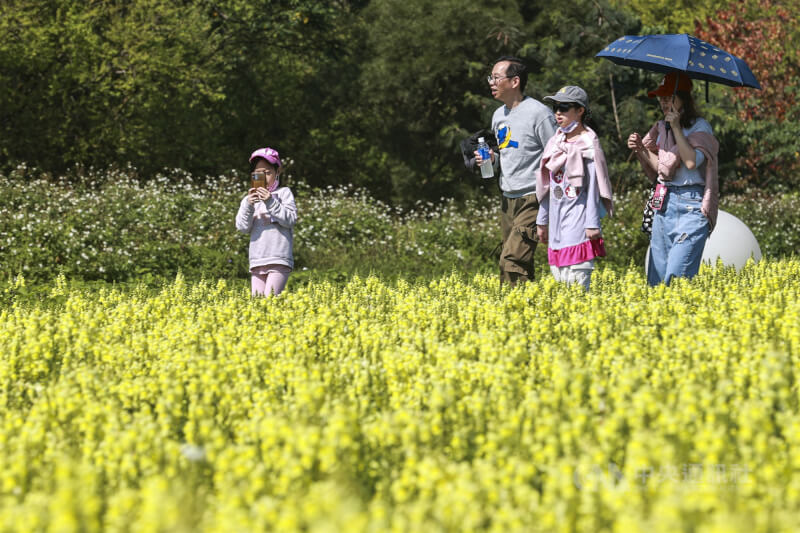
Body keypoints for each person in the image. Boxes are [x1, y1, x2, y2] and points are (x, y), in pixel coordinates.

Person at [471, 56, 558, 286]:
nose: (491, 82)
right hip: (507, 198)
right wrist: (491, 158)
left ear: (515, 81)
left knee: (512, 259)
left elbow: (558, 154)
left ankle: (513, 309)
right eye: (491, 77)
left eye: (496, 77)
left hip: (532, 197)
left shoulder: (539, 113)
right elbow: (506, 153)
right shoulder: (498, 115)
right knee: (512, 259)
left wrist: (553, 202)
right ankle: (520, 312)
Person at [627, 72, 719, 286]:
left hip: (691, 207)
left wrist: (677, 128)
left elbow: (689, 162)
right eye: (661, 97)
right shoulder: (662, 129)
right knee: (656, 281)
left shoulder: (700, 127)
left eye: (669, 97)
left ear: (684, 99)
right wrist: (642, 149)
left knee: (677, 278)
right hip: (664, 204)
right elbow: (662, 167)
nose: (663, 102)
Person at [535, 86, 613, 291]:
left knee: (577, 286)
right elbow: (547, 185)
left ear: (580, 111)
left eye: (564, 107)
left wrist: (592, 224)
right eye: (555, 107)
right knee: (560, 285)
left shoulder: (589, 143)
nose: (557, 112)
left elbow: (595, 188)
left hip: (579, 224)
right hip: (557, 226)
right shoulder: (555, 141)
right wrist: (541, 221)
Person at [235, 147, 297, 296]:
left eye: (268, 172)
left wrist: (270, 201)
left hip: (278, 258)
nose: (264, 176)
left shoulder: (283, 193)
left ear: (277, 172)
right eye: (259, 173)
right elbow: (242, 227)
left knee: (270, 302)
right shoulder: (249, 199)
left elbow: (290, 220)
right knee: (257, 305)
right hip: (257, 260)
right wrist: (249, 205)